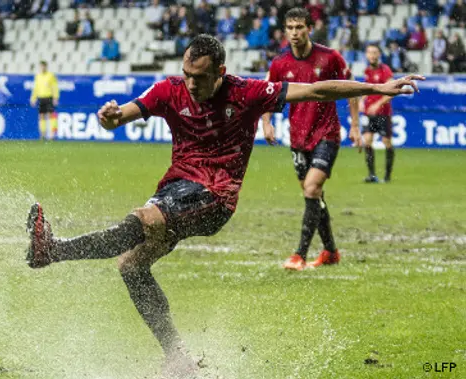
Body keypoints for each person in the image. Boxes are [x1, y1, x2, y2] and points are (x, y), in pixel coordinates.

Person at [25, 34, 422, 377]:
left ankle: (53, 250)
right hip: (176, 190)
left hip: (216, 198)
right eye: (186, 74)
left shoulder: (247, 92)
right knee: (131, 265)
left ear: (220, 71)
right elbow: (121, 117)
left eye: (199, 77)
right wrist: (109, 117)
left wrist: (378, 89)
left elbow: (317, 90)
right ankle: (178, 359)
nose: (191, 83)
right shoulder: (169, 90)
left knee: (144, 220)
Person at [262, 7, 361, 271]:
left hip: (327, 133)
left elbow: (352, 88)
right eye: (290, 28)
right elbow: (266, 94)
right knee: (313, 195)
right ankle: (330, 251)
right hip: (298, 137)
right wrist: (267, 122)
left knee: (311, 189)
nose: (294, 33)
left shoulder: (330, 58)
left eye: (299, 28)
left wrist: (355, 126)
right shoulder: (280, 63)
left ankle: (299, 255)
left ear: (310, 28)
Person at [361, 44, 395, 183]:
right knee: (367, 141)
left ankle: (387, 176)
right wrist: (362, 101)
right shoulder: (367, 70)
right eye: (369, 52)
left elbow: (392, 91)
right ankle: (372, 175)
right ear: (366, 55)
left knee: (386, 142)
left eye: (375, 52)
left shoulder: (385, 70)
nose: (372, 55)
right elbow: (368, 90)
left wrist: (377, 104)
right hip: (370, 114)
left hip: (383, 113)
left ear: (379, 54)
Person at [29, 60, 59, 140]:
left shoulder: (51, 75)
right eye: (41, 66)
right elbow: (36, 88)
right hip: (41, 98)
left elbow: (54, 87)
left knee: (51, 115)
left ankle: (53, 134)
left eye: (43, 66)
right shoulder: (38, 76)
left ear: (46, 66)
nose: (42, 68)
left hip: (49, 97)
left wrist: (55, 97)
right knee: (41, 116)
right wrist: (33, 98)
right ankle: (42, 135)